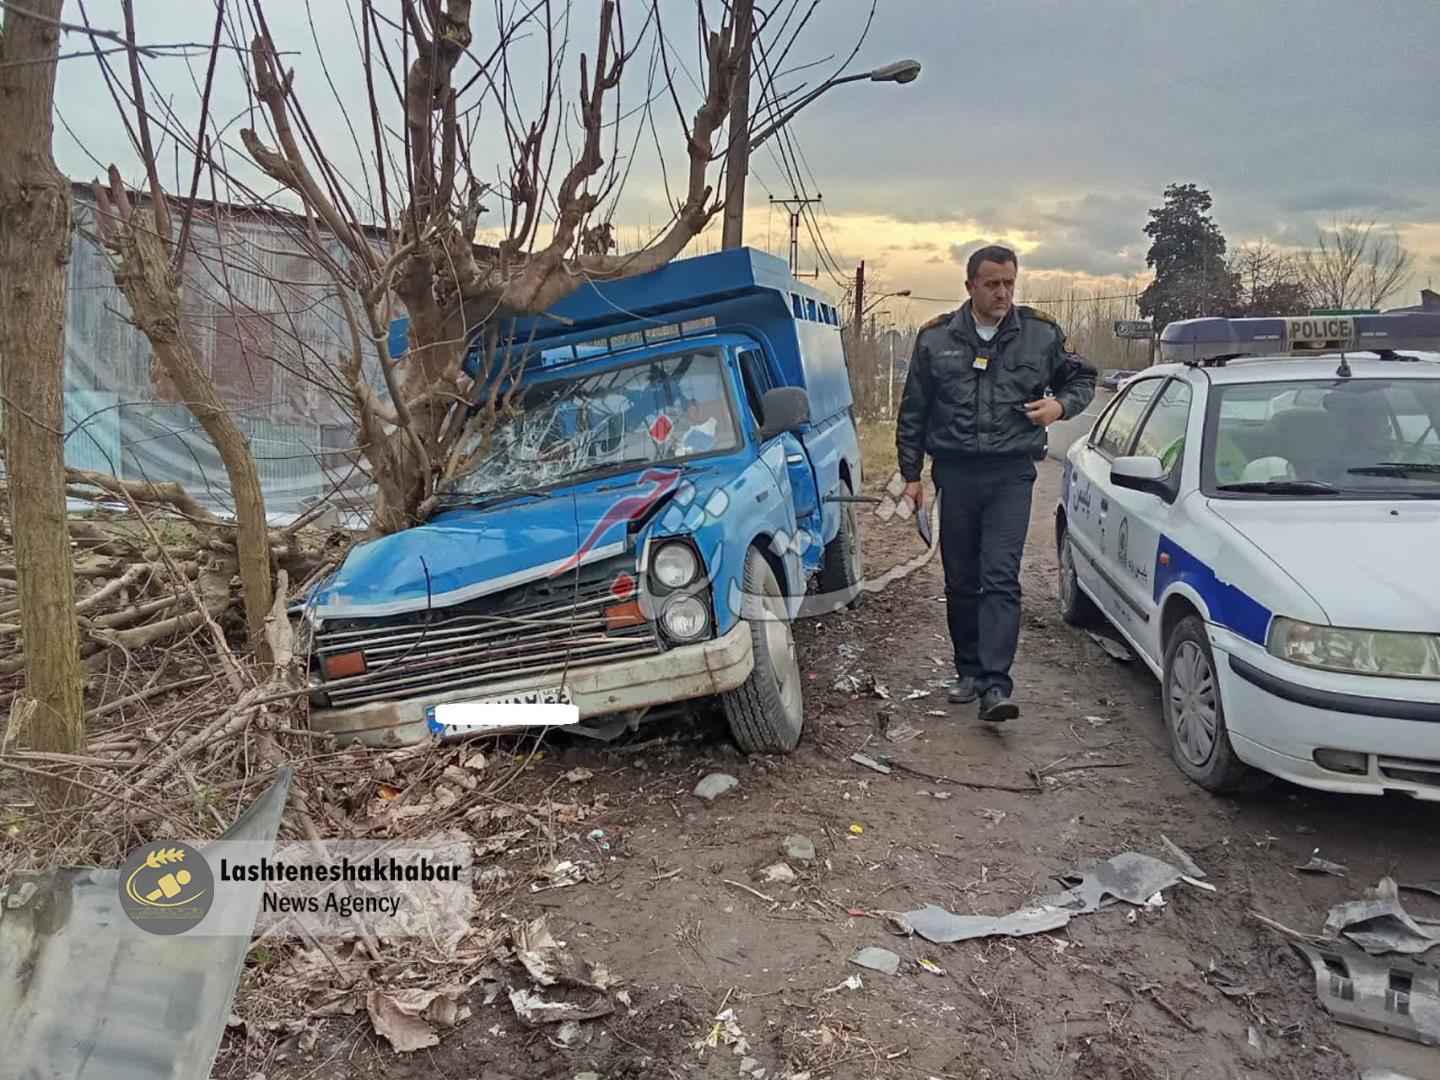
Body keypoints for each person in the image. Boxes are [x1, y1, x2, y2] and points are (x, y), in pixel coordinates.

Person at [896, 245, 1096, 722]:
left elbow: (1083, 379)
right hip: (955, 473)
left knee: (1000, 576)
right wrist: (911, 475)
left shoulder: (1040, 335)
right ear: (970, 287)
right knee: (961, 579)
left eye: (1009, 283)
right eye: (992, 284)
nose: (1002, 292)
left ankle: (995, 685)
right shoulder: (936, 339)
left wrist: (1060, 406)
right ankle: (968, 671)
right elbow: (914, 411)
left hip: (1010, 474)